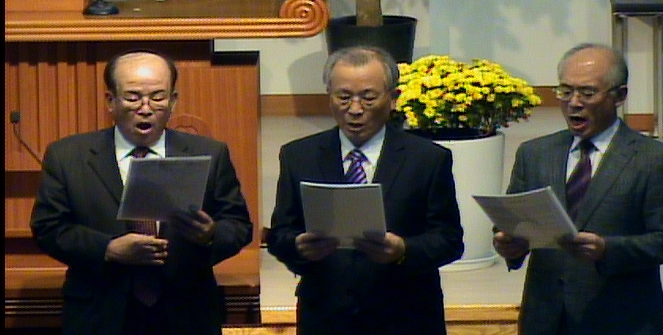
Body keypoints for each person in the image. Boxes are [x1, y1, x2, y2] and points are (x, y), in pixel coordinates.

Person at [30, 49, 253, 335]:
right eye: (133, 97)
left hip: (186, 313)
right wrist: (107, 249)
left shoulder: (210, 153)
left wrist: (210, 236)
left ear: (173, 101)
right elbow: (48, 228)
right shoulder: (67, 156)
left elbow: (238, 226)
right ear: (110, 100)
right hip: (101, 312)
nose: (145, 108)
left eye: (158, 97)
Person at [493, 42, 663, 335]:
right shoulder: (535, 154)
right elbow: (513, 221)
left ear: (619, 96)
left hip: (620, 320)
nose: (574, 102)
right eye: (565, 91)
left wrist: (607, 249)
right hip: (545, 318)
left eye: (587, 93)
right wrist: (509, 245)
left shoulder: (655, 161)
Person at [266, 45, 464, 335]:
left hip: (405, 317)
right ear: (329, 96)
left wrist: (403, 250)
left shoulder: (428, 159)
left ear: (393, 98)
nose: (355, 109)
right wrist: (298, 247)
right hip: (326, 316)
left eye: (368, 97)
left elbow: (449, 240)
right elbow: (280, 234)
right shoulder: (298, 156)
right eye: (344, 97)